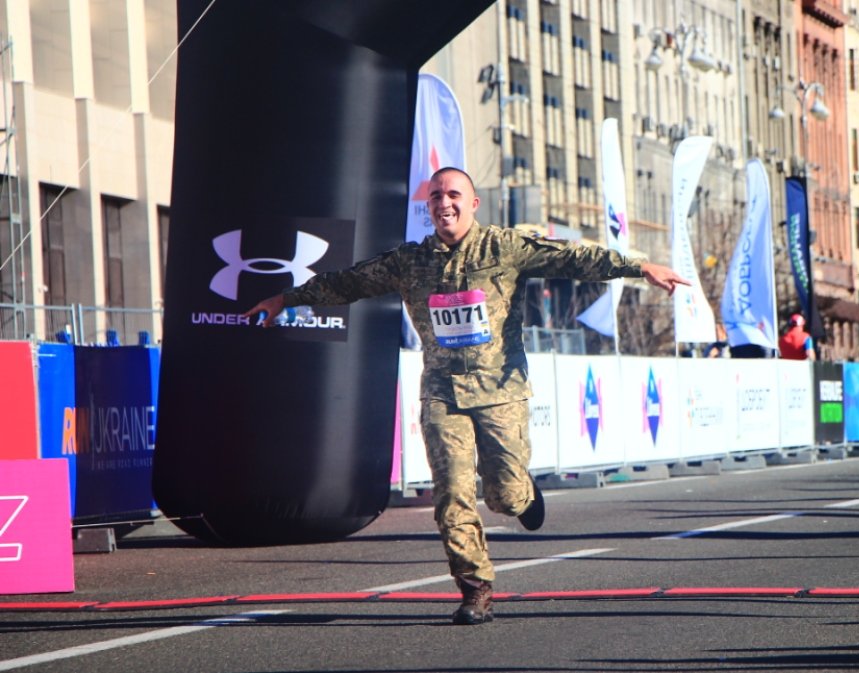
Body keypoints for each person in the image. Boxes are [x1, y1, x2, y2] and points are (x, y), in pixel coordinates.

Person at [243, 167, 689, 625]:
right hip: (442, 394)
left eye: (454, 194)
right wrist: (286, 298)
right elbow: (349, 282)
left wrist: (640, 268)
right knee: (451, 494)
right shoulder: (409, 261)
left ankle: (521, 495)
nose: (444, 203)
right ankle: (475, 589)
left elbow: (574, 258)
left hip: (500, 391)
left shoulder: (505, 247)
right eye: (436, 196)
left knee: (505, 497)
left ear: (473, 203)